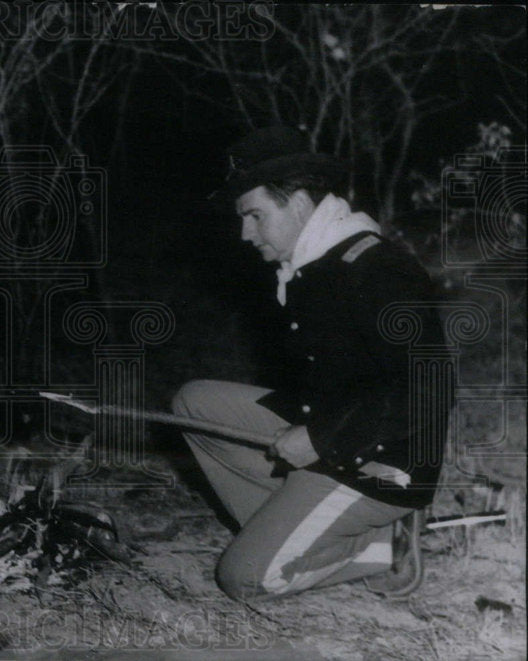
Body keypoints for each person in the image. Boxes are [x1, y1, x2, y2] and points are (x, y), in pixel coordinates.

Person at [171, 126, 449, 601]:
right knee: (193, 402)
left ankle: (382, 549)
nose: (245, 232)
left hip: (382, 462)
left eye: (255, 216)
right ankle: (296, 522)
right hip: (328, 434)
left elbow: (426, 389)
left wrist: (323, 438)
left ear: (298, 203)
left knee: (244, 578)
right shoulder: (312, 263)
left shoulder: (377, 269)